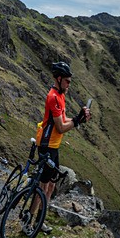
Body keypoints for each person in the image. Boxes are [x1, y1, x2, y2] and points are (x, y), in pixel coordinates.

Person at [29, 61, 91, 219]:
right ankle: (29, 219)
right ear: (58, 79)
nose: (69, 85)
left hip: (54, 146)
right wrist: (77, 120)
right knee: (43, 186)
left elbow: (63, 120)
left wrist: (79, 118)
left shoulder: (61, 96)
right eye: (67, 81)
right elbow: (61, 127)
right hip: (46, 145)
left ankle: (39, 218)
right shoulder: (53, 97)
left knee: (51, 184)